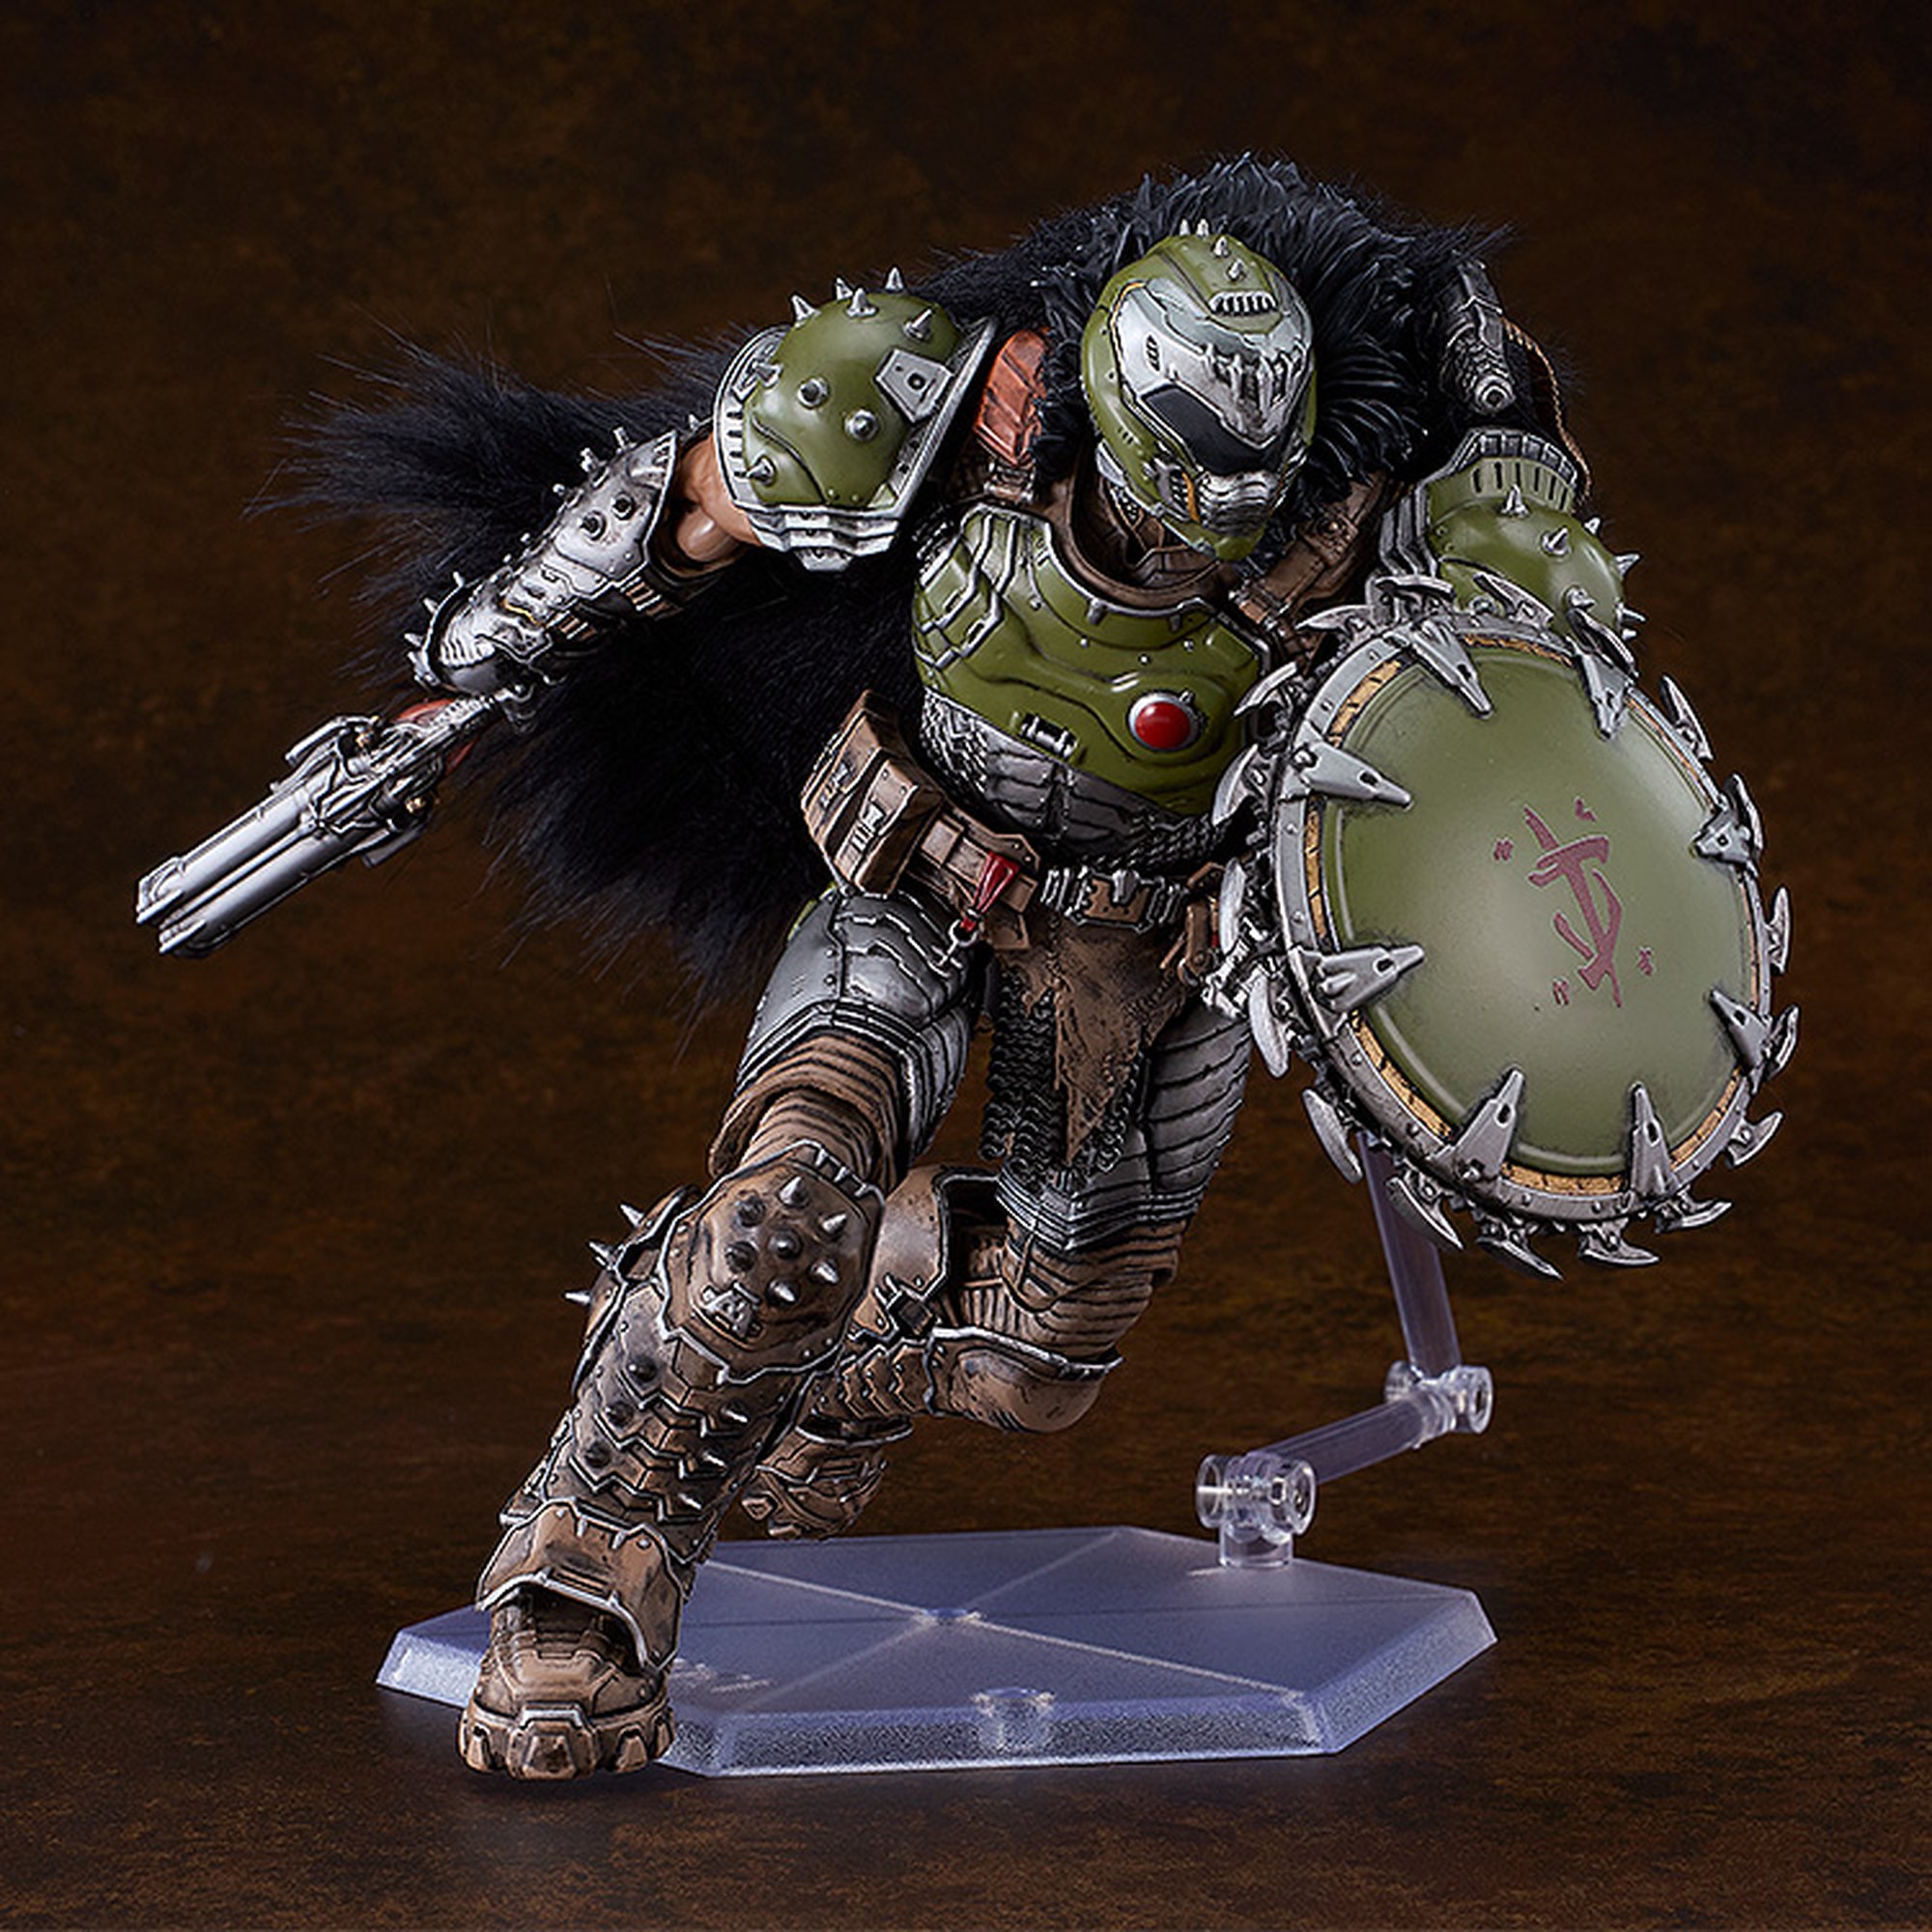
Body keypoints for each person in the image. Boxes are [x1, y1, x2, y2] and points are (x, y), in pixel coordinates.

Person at [287, 157, 1627, 1777]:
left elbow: (1537, 694)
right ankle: (590, 1565)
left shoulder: (1362, 524)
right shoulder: (950, 403)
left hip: (1144, 947)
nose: (1200, 536)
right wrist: (486, 660)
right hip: (916, 877)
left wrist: (1491, 470)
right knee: (790, 1203)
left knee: (1038, 1358)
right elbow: (685, 500)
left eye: (1247, 490)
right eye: (1170, 484)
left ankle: (812, 1384)